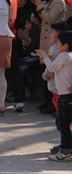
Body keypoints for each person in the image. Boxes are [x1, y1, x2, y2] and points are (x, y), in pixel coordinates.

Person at [35, 30, 72, 162]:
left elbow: (52, 67)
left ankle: (66, 150)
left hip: (65, 96)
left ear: (65, 45)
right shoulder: (69, 56)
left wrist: (44, 56)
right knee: (65, 123)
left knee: (63, 124)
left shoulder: (63, 56)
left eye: (58, 42)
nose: (56, 44)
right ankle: (66, 147)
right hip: (67, 95)